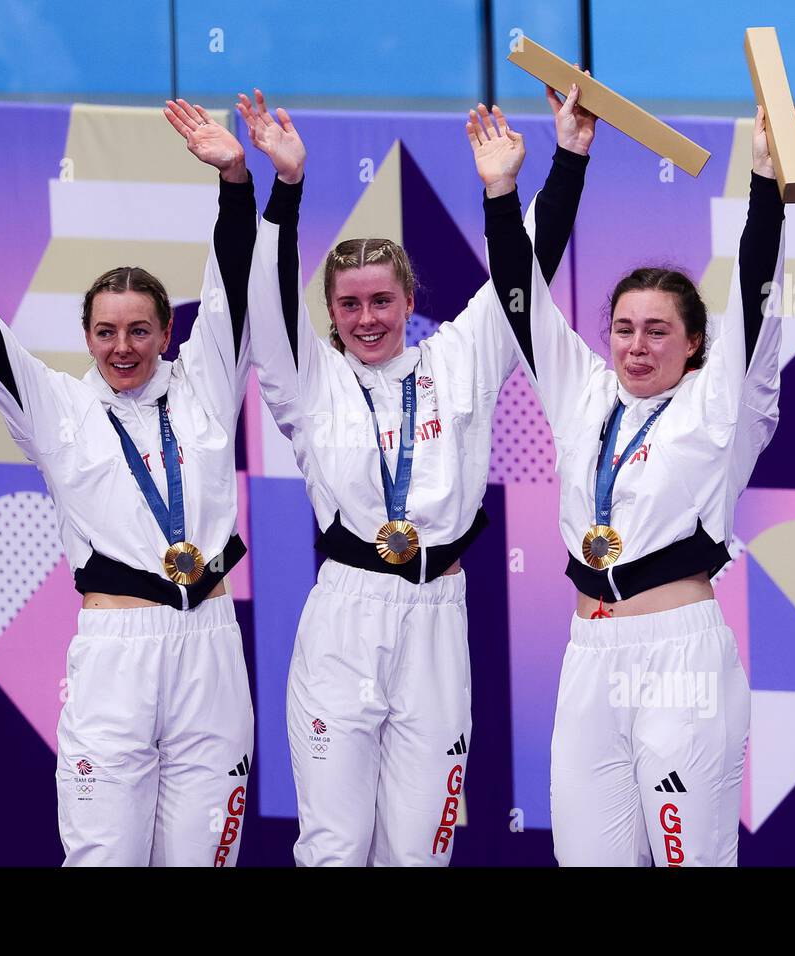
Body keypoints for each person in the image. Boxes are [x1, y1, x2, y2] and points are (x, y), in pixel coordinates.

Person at [0, 100, 258, 866]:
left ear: (166, 332)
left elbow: (231, 280)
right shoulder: (57, 406)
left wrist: (234, 178)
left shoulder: (205, 384)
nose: (121, 347)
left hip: (210, 646)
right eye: (104, 331)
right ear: (86, 336)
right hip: (115, 652)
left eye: (138, 330)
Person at [238, 84, 594, 865]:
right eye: (349, 304)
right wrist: (285, 187)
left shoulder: (458, 360)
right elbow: (263, 301)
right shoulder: (309, 380)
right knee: (334, 845)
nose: (366, 319)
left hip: (439, 615)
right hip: (345, 621)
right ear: (329, 312)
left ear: (408, 301)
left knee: (421, 852)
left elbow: (521, 281)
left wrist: (566, 159)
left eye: (381, 301)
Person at [475, 103, 792, 866]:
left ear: (694, 344)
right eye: (624, 327)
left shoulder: (723, 404)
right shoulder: (583, 391)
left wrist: (764, 179)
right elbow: (520, 302)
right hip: (589, 655)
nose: (637, 345)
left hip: (681, 660)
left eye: (658, 331)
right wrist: (521, 181)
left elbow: (753, 291)